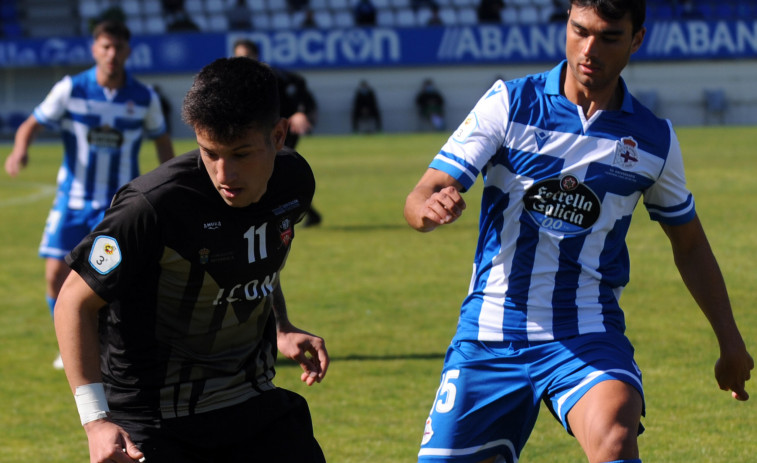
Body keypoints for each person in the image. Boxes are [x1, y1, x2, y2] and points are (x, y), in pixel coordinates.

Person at [403, 1, 754, 462]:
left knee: (613, 434)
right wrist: (429, 208)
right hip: (490, 331)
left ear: (637, 39)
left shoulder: (654, 140)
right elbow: (421, 194)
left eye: (608, 37)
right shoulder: (510, 103)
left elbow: (689, 245)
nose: (589, 50)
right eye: (579, 30)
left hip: (587, 330)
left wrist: (730, 341)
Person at [54, 57, 329, 463]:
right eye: (210, 153)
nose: (224, 173)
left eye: (240, 154)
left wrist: (280, 327)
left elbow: (261, 255)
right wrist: (96, 421)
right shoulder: (152, 206)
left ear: (278, 134)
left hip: (249, 400)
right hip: (155, 418)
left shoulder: (294, 182)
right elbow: (73, 302)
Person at [4, 20, 174, 369]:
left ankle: (111, 345)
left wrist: (172, 186)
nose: (111, 54)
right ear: (95, 49)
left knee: (119, 282)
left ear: (128, 51)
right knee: (54, 275)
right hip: (73, 201)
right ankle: (69, 346)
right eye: (105, 47)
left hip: (118, 205)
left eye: (118, 48)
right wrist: (20, 150)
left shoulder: (144, 97)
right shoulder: (71, 89)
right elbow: (31, 124)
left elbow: (162, 142)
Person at [233, 38, 322, 227]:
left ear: (256, 56)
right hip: (263, 131)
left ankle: (283, 212)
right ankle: (305, 212)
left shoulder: (271, 75)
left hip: (284, 127)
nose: (245, 60)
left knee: (275, 167)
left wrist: (300, 111)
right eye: (241, 57)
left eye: (248, 56)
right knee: (273, 169)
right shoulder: (239, 82)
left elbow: (298, 85)